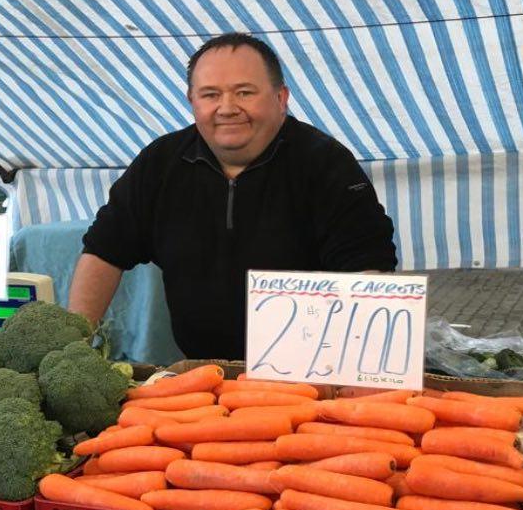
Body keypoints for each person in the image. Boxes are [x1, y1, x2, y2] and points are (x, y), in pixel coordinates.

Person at [70, 32, 397, 359]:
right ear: (192, 101)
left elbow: (368, 269)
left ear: (281, 98)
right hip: (203, 374)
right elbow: (103, 250)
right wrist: (76, 346)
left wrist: (363, 366)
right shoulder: (160, 163)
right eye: (210, 94)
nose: (227, 108)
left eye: (244, 92)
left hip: (310, 373)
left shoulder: (325, 163)